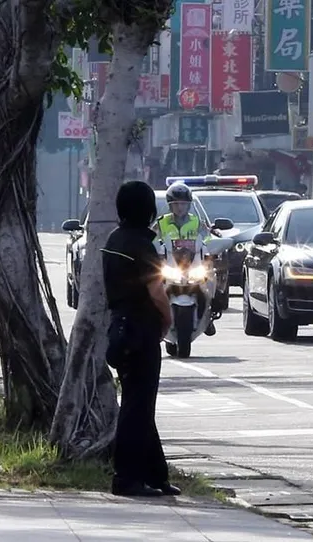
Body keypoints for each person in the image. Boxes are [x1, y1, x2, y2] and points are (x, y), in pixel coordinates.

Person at [103, 180, 181, 498]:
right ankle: (127, 478)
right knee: (137, 407)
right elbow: (157, 292)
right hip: (141, 330)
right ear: (148, 209)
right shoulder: (141, 245)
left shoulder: (113, 239)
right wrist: (168, 319)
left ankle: (155, 474)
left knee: (140, 403)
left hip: (119, 330)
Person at [155, 182, 217, 336]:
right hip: (169, 263)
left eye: (183, 204)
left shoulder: (196, 222)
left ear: (189, 205)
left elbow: (208, 239)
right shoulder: (161, 222)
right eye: (176, 204)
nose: (180, 207)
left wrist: (211, 247)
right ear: (170, 205)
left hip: (193, 263)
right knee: (150, 287)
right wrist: (154, 249)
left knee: (210, 284)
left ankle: (210, 318)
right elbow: (152, 238)